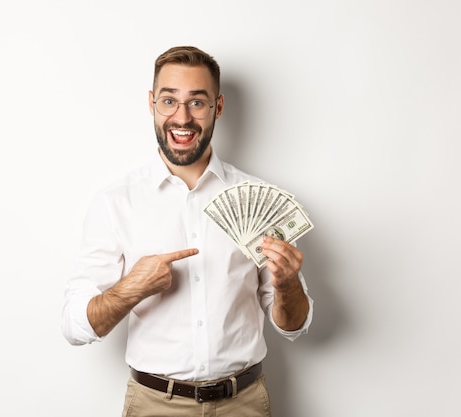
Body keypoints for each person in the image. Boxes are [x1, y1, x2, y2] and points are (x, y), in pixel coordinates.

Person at [61, 45, 313, 417]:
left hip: (243, 404)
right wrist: (132, 287)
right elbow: (74, 327)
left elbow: (294, 326)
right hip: (154, 405)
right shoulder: (115, 203)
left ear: (218, 107)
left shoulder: (256, 201)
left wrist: (288, 284)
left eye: (197, 102)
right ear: (151, 103)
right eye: (169, 101)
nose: (182, 117)